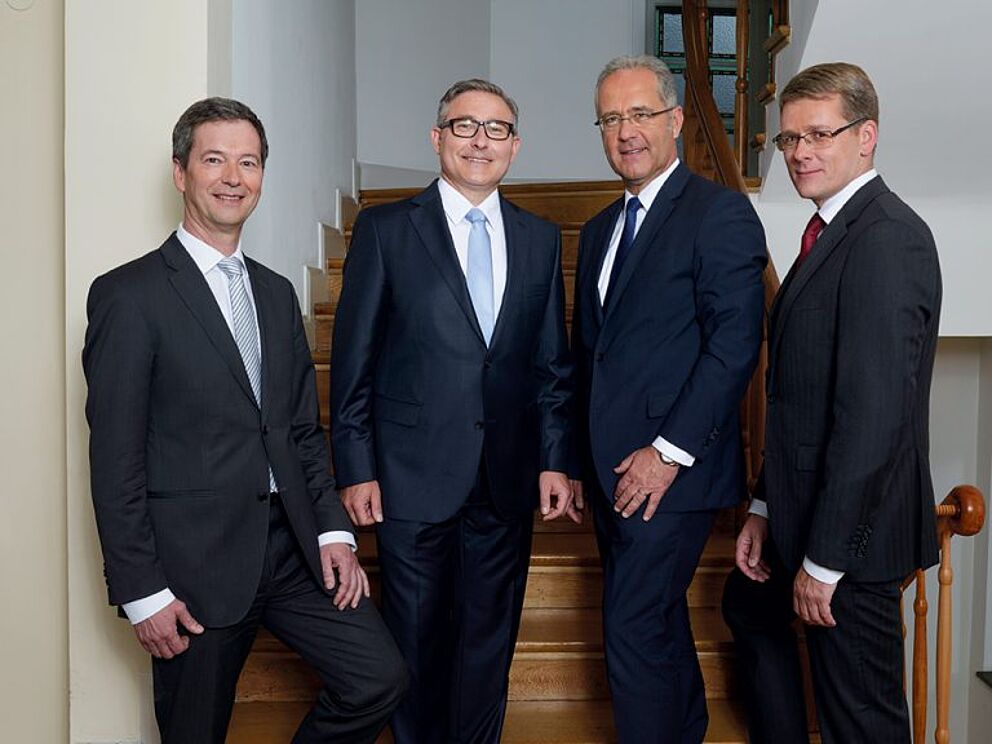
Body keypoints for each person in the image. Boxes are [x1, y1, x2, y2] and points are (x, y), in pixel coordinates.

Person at [83, 97, 407, 744]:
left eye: (249, 162)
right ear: (181, 172)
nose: (234, 177)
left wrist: (333, 532)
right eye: (214, 160)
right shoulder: (129, 295)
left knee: (379, 678)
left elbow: (299, 432)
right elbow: (115, 458)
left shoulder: (275, 292)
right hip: (193, 565)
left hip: (291, 549)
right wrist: (142, 591)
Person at [329, 78, 576, 743]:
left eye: (497, 129)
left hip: (505, 476)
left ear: (515, 147)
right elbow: (353, 362)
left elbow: (551, 364)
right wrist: (355, 468)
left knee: (488, 642)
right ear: (437, 138)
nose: (480, 141)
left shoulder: (539, 239)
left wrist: (555, 459)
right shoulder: (385, 229)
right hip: (409, 475)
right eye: (465, 126)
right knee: (414, 639)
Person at [721, 62, 941, 743]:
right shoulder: (830, 231)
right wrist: (764, 506)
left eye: (818, 134)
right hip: (800, 511)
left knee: (862, 722)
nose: (799, 153)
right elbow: (799, 401)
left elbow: (874, 419)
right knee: (747, 608)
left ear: (866, 136)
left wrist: (825, 563)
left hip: (853, 541)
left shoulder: (887, 238)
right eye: (789, 139)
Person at [570, 55, 767, 743]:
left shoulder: (720, 213)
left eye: (641, 114)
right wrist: (574, 459)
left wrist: (667, 452)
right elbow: (590, 356)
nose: (626, 131)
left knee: (631, 627)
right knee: (654, 622)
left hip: (671, 476)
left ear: (676, 119)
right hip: (609, 473)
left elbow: (733, 346)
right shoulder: (599, 229)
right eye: (611, 118)